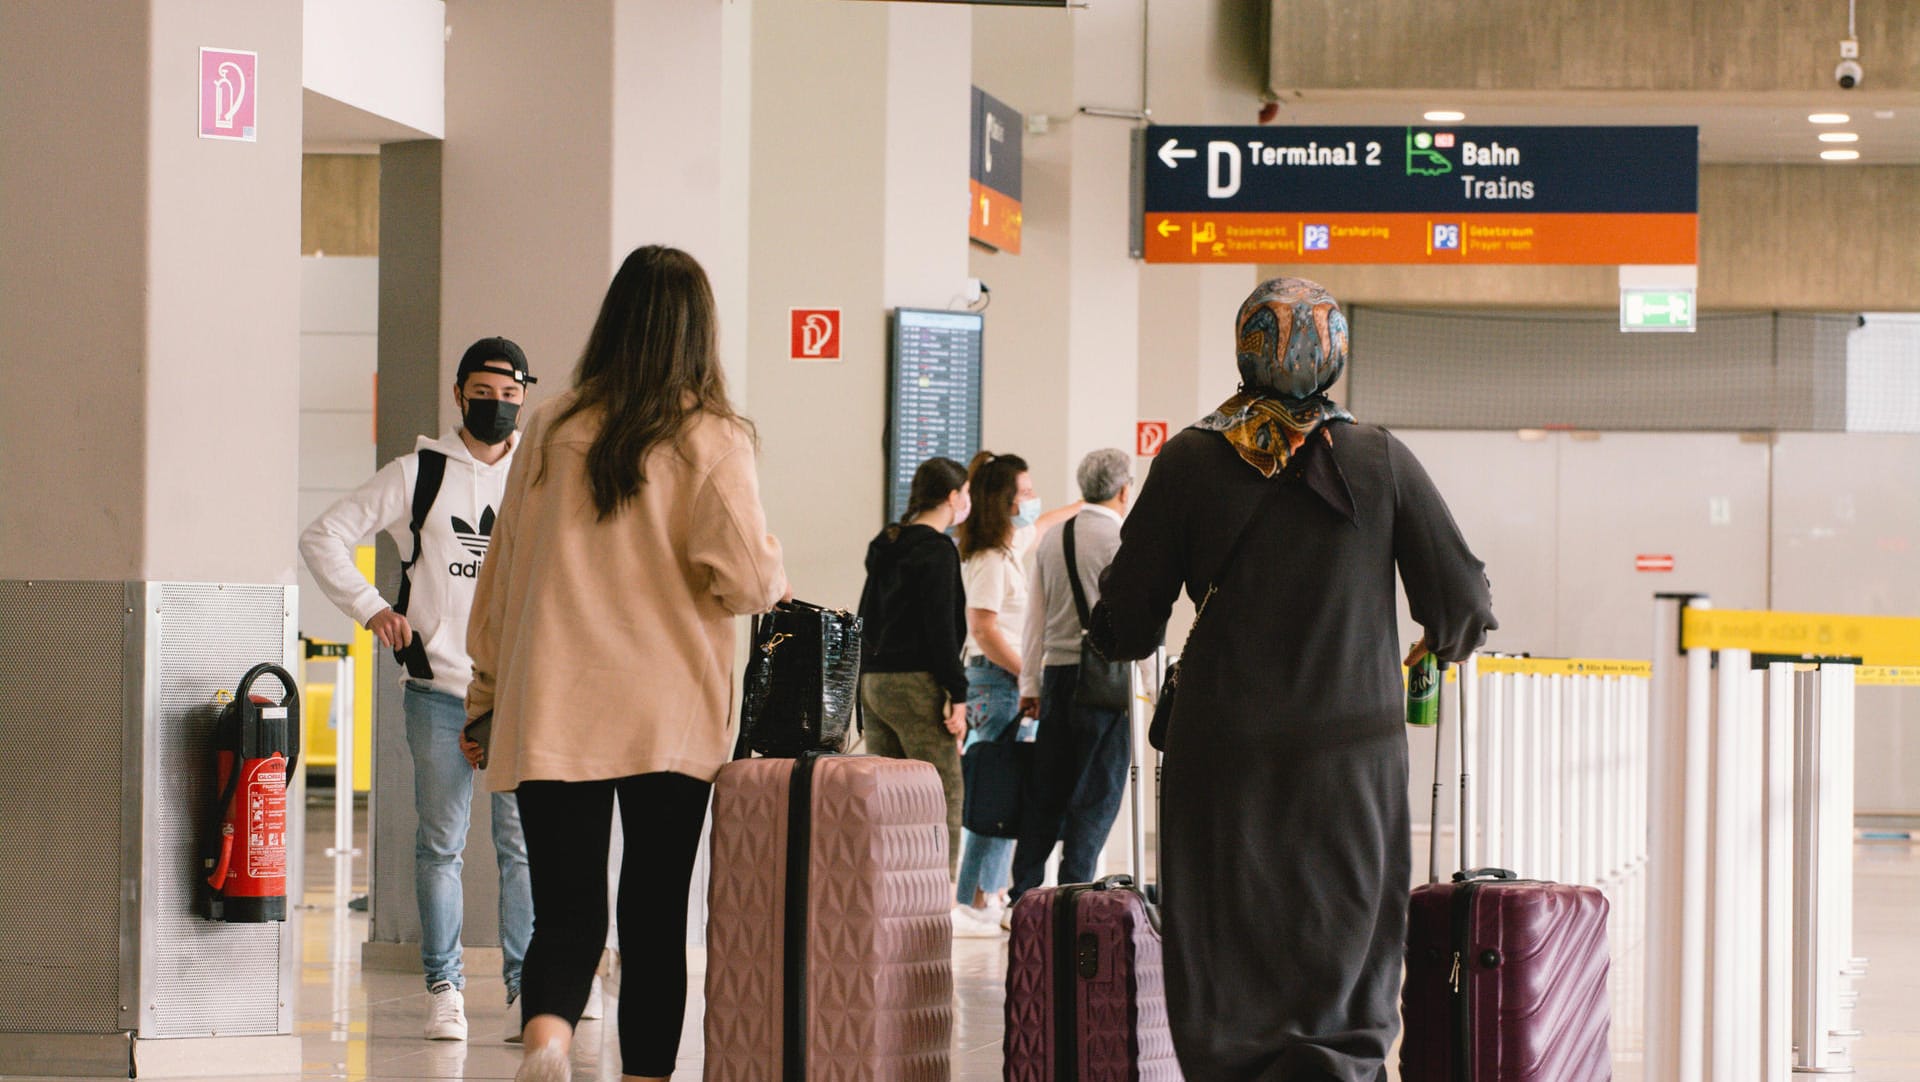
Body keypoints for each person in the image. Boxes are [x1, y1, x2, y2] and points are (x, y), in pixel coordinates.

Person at [1089, 278, 1496, 1081]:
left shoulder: (1188, 460)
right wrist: (1432, 646)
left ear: (1243, 351)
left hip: (1224, 755)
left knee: (1226, 941)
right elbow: (1463, 603)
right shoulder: (1379, 458)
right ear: (1335, 357)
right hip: (1354, 755)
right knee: (1345, 937)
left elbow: (1126, 627)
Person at [463, 246, 787, 1082]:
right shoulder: (713, 438)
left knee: (566, 911)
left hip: (554, 704)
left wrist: (486, 691)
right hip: (668, 714)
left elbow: (504, 571)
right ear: (698, 333)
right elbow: (749, 583)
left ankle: (549, 1042)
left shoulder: (555, 424)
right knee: (652, 918)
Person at [298, 337, 539, 1043]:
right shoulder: (419, 473)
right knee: (441, 847)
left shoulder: (538, 475)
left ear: (526, 394)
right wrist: (374, 608)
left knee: (521, 846)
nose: (498, 404)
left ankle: (527, 990)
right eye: (485, 391)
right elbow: (324, 536)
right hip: (438, 691)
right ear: (461, 392)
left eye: (511, 392)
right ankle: (445, 988)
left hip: (518, 695)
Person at [1008, 448, 1135, 906]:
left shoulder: (1052, 538)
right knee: (1097, 791)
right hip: (1107, 679)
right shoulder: (1123, 541)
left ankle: (1023, 894)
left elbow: (1033, 619)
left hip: (1056, 678)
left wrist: (1030, 687)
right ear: (1124, 489)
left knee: (1048, 788)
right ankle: (1074, 893)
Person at [856, 457, 972, 875]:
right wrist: (956, 694)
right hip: (917, 684)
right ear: (953, 496)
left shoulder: (886, 543)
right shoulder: (938, 550)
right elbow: (941, 629)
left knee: (887, 797)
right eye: (967, 494)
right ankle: (938, 897)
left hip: (874, 683)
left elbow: (864, 616)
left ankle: (884, 892)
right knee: (942, 793)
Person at [949, 451, 1037, 938]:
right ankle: (974, 898)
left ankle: (988, 892)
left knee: (1006, 790)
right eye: (1023, 493)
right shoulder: (985, 560)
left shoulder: (1006, 551)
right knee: (994, 793)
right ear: (1004, 501)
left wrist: (1091, 503)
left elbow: (1037, 527)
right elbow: (983, 629)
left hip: (1005, 682)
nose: (1030, 500)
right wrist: (1028, 677)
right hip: (995, 681)